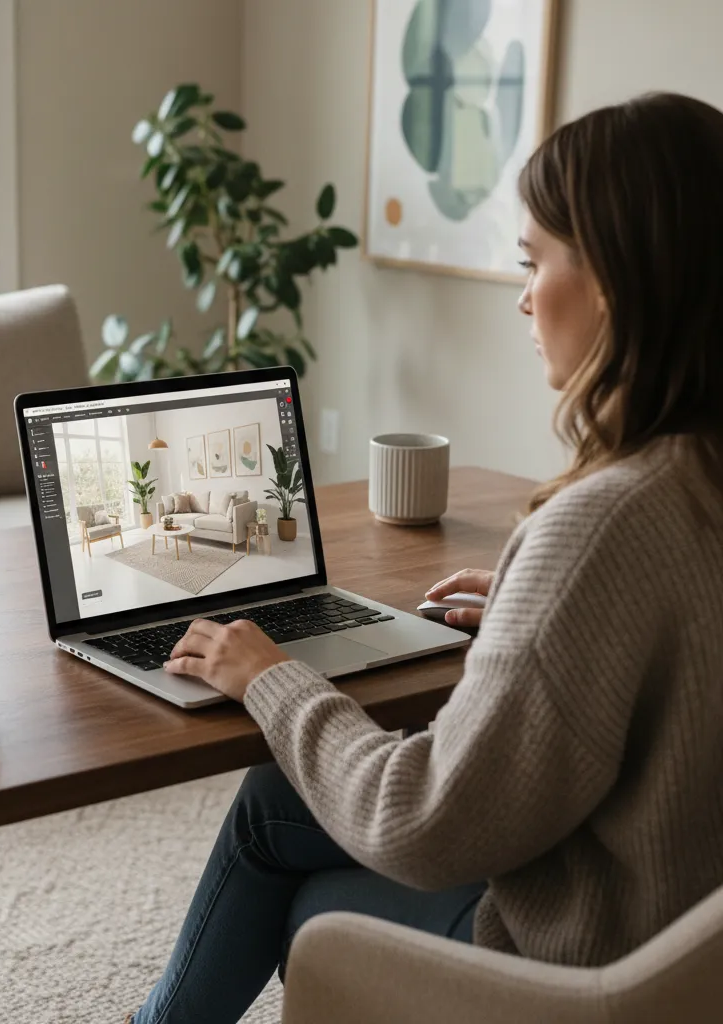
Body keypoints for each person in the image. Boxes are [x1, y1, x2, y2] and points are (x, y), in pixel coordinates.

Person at [125, 92, 723, 1024]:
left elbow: (422, 822)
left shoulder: (602, 524)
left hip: (587, 966)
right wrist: (536, 611)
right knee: (279, 798)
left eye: (534, 262)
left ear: (613, 278)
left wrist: (272, 678)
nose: (523, 296)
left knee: (308, 893)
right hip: (690, 951)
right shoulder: (691, 483)